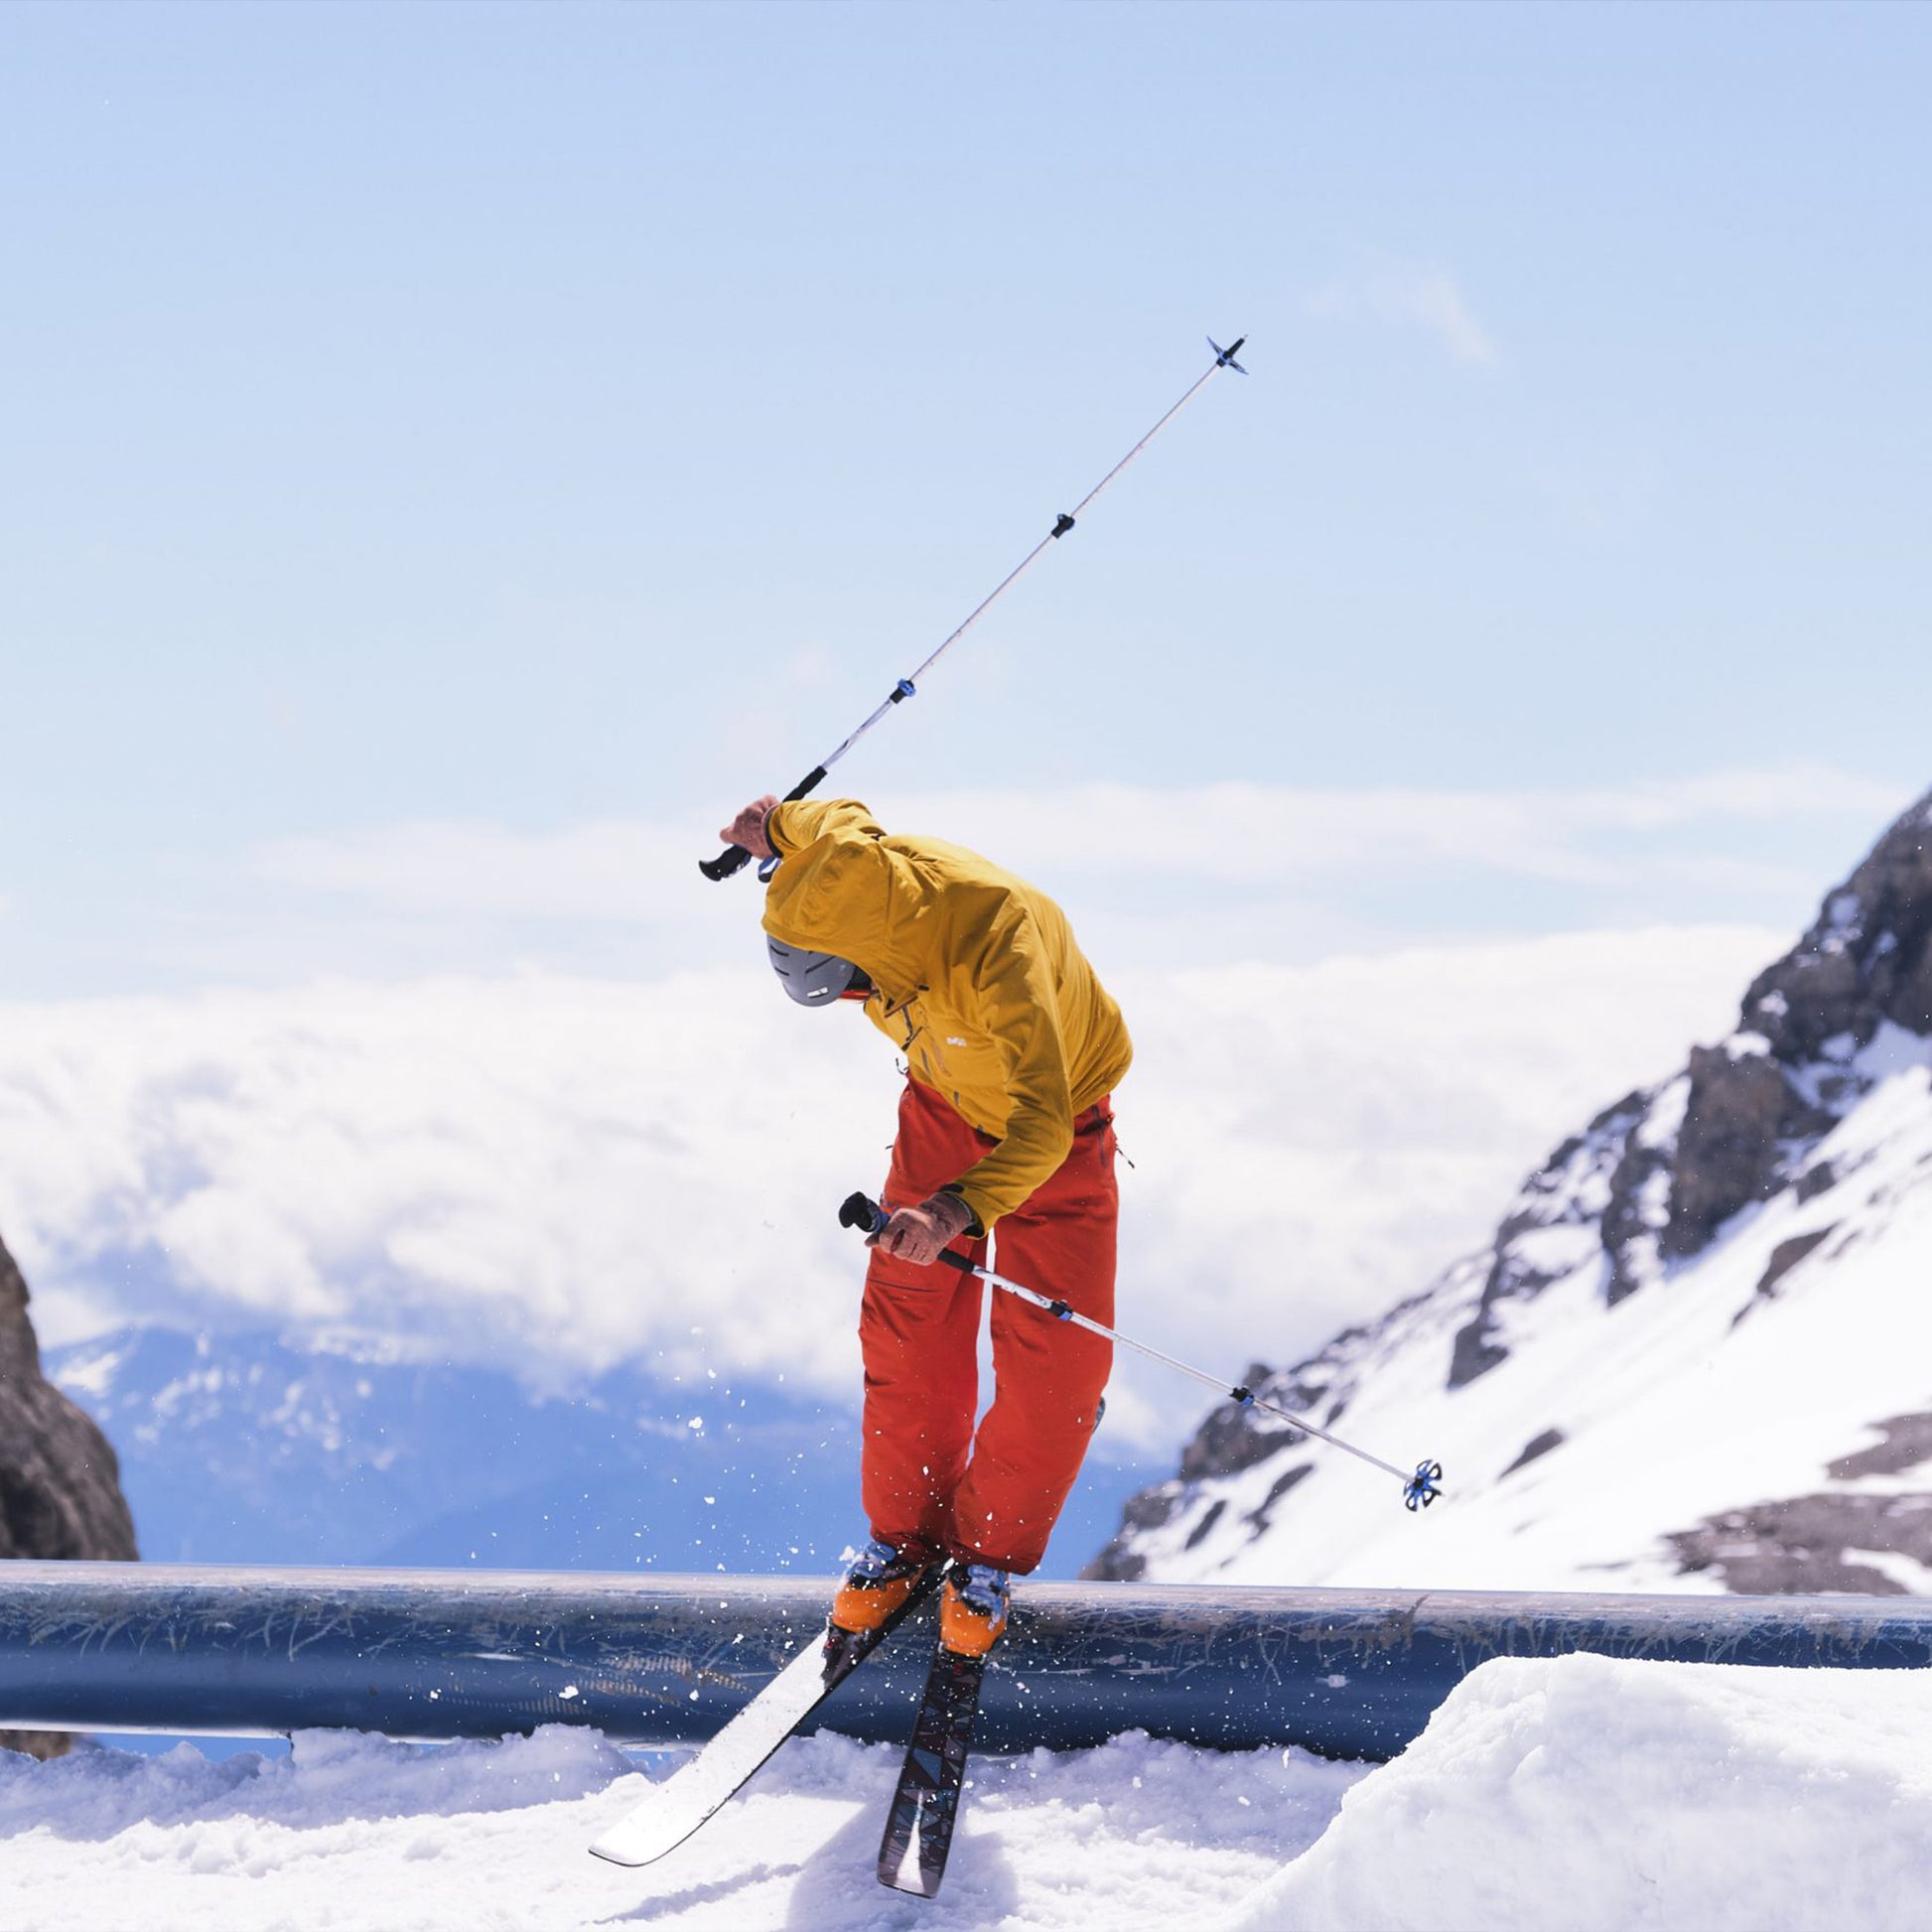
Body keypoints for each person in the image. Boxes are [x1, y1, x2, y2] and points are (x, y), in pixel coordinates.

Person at [718, 793, 1131, 1655]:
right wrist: (767, 824)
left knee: (1058, 1365)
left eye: (855, 986)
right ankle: (899, 1546)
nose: (855, 1003)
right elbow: (828, 816)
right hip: (943, 1103)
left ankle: (984, 1558)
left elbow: (1043, 1126)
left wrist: (954, 1210)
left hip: (1052, 1130)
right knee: (907, 1328)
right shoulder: (842, 862)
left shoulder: (998, 950)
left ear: (877, 951)